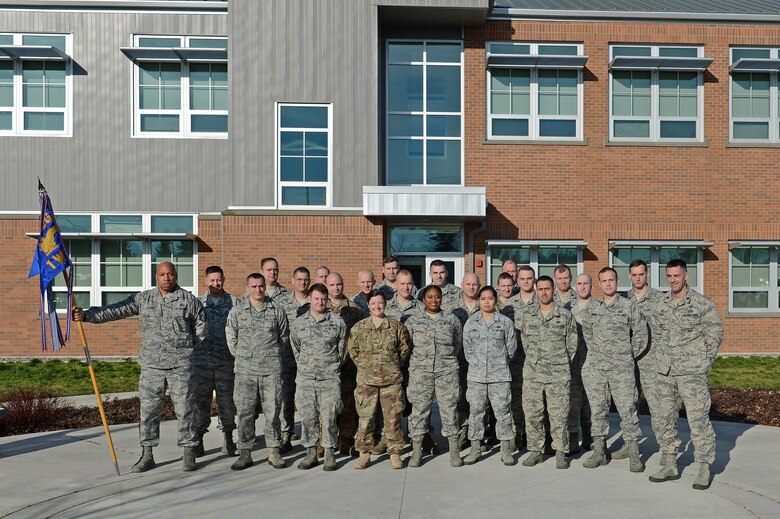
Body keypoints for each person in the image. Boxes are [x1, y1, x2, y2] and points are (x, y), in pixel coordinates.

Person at [73, 262, 207, 473]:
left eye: (170, 274)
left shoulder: (189, 300)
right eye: (162, 274)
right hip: (152, 366)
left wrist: (184, 348)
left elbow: (201, 329)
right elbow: (117, 310)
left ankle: (189, 452)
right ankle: (147, 454)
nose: (166, 278)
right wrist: (88, 315)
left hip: (181, 366)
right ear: (156, 276)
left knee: (185, 410)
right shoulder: (143, 299)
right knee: (148, 411)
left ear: (176, 275)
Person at [648, 259, 723, 490]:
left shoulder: (701, 304)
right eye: (669, 276)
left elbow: (715, 333)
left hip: (691, 372)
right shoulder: (661, 304)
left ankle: (703, 466)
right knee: (664, 418)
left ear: (686, 276)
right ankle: (670, 463)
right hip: (665, 371)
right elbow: (656, 333)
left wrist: (703, 360)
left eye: (676, 276)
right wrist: (659, 358)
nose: (672, 280)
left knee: (698, 420)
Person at [580, 267, 648, 472]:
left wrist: (627, 354)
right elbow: (588, 334)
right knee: (598, 410)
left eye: (611, 280)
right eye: (604, 281)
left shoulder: (629, 307)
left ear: (617, 281)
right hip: (597, 369)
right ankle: (600, 451)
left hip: (622, 369)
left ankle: (634, 454)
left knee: (627, 409)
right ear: (599, 284)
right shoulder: (592, 309)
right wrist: (600, 354)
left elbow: (641, 334)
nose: (608, 284)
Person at [226, 273, 289, 470]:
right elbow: (231, 338)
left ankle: (274, 451)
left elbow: (284, 337)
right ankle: (245, 452)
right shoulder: (237, 311)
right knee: (244, 412)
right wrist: (245, 356)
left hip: (271, 370)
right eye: (253, 286)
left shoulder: (276, 309)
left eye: (261, 286)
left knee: (273, 412)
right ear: (247, 288)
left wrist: (270, 355)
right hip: (245, 371)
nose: (258, 289)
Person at [515, 276, 578, 469]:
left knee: (559, 415)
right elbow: (524, 342)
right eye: (540, 289)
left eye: (547, 289)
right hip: (533, 374)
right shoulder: (528, 315)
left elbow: (572, 346)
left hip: (558, 374)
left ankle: (560, 451)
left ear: (553, 290)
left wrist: (558, 362)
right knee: (533, 414)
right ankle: (536, 450)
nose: (544, 292)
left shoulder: (565, 315)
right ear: (536, 290)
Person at [347, 290, 412, 470]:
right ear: (368, 305)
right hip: (366, 381)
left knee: (393, 420)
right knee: (365, 419)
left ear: (386, 304)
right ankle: (364, 454)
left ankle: (395, 454)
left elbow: (404, 349)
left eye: (380, 303)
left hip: (391, 381)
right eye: (373, 303)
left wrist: (392, 365)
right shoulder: (359, 328)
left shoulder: (396, 327)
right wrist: (366, 366)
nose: (377, 306)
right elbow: (353, 350)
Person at [405, 285, 464, 468]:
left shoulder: (451, 319)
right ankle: (416, 452)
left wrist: (445, 361)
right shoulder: (413, 321)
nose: (433, 300)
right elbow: (408, 345)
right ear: (423, 299)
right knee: (419, 411)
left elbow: (457, 343)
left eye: (437, 297)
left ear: (441, 298)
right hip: (421, 372)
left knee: (449, 409)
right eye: (429, 297)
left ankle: (454, 451)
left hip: (446, 371)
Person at [290, 283, 347, 471]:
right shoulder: (298, 324)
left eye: (323, 299)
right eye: (316, 298)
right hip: (306, 379)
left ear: (327, 300)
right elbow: (296, 350)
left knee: (329, 416)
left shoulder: (338, 322)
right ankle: (311, 452)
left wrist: (330, 368)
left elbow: (342, 351)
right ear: (309, 299)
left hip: (329, 379)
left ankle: (330, 453)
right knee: (308, 417)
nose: (320, 302)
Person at [612, 259, 665, 460]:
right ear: (629, 276)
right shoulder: (623, 299)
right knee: (628, 405)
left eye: (641, 274)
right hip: (628, 361)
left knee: (657, 405)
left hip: (651, 361)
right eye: (634, 275)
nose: (637, 278)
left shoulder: (659, 299)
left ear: (647, 274)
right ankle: (630, 443)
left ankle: (665, 447)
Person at [462, 286, 517, 466]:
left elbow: (511, 349)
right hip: (477, 376)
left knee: (503, 413)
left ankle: (506, 450)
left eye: (490, 298)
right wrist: (479, 364)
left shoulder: (505, 323)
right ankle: (476, 448)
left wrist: (498, 363)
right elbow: (467, 350)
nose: (487, 302)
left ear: (496, 300)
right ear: (479, 300)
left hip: (499, 376)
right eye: (483, 298)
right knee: (476, 413)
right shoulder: (471, 323)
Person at [194, 265, 238, 458]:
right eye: (212, 280)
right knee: (200, 403)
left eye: (218, 280)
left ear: (224, 279)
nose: (215, 283)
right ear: (205, 281)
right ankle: (199, 439)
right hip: (201, 362)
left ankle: (228, 439)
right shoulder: (197, 303)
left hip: (225, 362)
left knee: (227, 403)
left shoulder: (235, 303)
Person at [325, 272, 364, 455]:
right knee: (327, 407)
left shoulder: (354, 309)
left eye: (339, 284)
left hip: (348, 367)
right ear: (326, 285)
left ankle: (347, 441)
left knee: (348, 406)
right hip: (326, 366)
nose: (336, 288)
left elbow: (360, 338)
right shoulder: (320, 306)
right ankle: (324, 442)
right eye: (332, 285)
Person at [275, 266, 311, 452]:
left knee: (307, 400)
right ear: (292, 281)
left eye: (306, 279)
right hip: (287, 358)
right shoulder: (282, 303)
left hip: (309, 361)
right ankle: (285, 435)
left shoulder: (316, 301)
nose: (302, 282)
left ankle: (310, 437)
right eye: (299, 279)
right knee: (286, 399)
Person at [452, 272, 481, 450]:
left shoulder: (487, 305)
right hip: (460, 362)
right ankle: (464, 432)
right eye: (468, 284)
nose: (472, 287)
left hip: (481, 363)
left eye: (475, 284)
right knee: (461, 399)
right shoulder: (453, 309)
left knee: (479, 402)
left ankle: (478, 435)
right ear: (462, 285)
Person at [568, 273, 593, 453]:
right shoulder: (568, 308)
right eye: (579, 283)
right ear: (574, 286)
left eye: (586, 283)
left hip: (593, 363)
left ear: (591, 285)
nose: (582, 287)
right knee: (573, 402)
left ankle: (590, 437)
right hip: (573, 363)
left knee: (592, 404)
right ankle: (573, 438)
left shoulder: (599, 307)